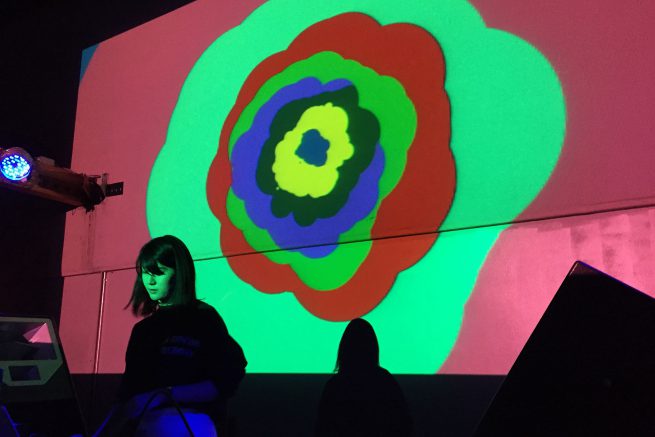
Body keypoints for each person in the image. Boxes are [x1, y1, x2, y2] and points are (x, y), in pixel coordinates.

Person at [95, 235, 246, 436]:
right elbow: (127, 394)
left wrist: (167, 395)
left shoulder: (204, 318)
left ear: (179, 273)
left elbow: (227, 378)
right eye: (145, 272)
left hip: (191, 425)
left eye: (159, 273)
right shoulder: (143, 330)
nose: (150, 281)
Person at [315, 318, 413, 437]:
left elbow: (322, 428)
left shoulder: (334, 386)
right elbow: (403, 424)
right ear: (373, 348)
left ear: (344, 348)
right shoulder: (385, 382)